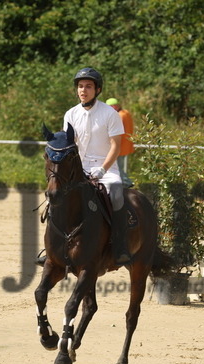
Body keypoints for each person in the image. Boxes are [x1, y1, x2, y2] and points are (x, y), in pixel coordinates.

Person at [37, 67, 131, 266]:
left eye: (88, 86)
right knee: (57, 197)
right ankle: (53, 248)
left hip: (106, 169)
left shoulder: (109, 114)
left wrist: (103, 169)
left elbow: (117, 146)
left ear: (97, 90)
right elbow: (67, 144)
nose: (83, 90)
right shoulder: (70, 114)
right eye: (80, 86)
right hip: (78, 169)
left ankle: (120, 245)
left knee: (116, 195)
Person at [105, 98, 134, 188]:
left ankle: (127, 183)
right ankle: (126, 182)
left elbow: (114, 132)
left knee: (117, 167)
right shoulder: (126, 113)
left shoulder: (119, 116)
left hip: (119, 147)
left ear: (114, 106)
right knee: (118, 167)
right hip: (126, 145)